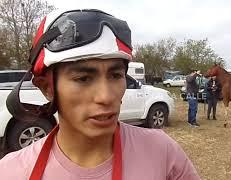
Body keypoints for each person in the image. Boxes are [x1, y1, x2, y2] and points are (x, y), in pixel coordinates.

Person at [0, 9, 201, 180]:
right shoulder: (11, 172)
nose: (106, 97)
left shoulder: (162, 152)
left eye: (115, 75)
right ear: (46, 87)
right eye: (83, 79)